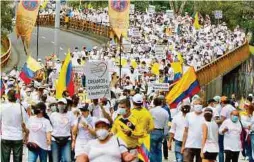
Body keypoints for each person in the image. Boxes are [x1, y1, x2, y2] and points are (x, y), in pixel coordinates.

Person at [1, 89, 29, 162]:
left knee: (4, 159)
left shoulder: (2, 107)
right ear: (16, 97)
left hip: (6, 136)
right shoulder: (20, 107)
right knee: (17, 159)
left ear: (7, 97)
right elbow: (26, 121)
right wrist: (26, 133)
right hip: (17, 137)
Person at [149, 97, 169, 162]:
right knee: (159, 149)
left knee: (152, 150)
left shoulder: (151, 111)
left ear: (154, 103)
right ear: (161, 103)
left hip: (152, 131)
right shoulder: (165, 112)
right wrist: (165, 135)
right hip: (161, 132)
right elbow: (166, 125)